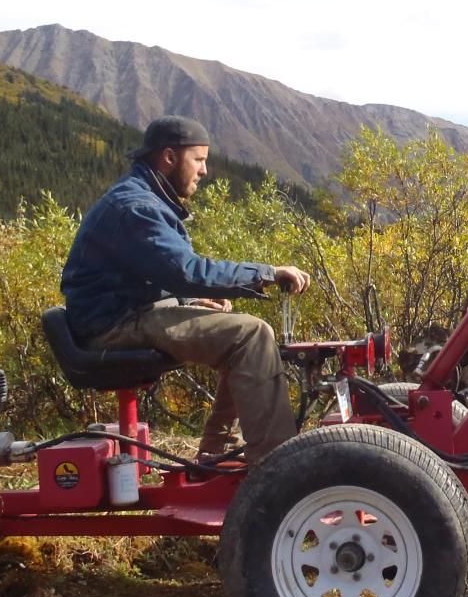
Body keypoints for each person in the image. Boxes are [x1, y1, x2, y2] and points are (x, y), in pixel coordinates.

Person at [61, 116, 311, 464]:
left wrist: (189, 301)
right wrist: (267, 272)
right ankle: (279, 469)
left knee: (243, 333)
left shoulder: (145, 198)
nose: (205, 170)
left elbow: (148, 276)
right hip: (112, 326)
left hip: (123, 314)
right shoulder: (138, 207)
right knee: (251, 336)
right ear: (169, 157)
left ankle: (216, 453)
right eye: (199, 159)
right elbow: (187, 270)